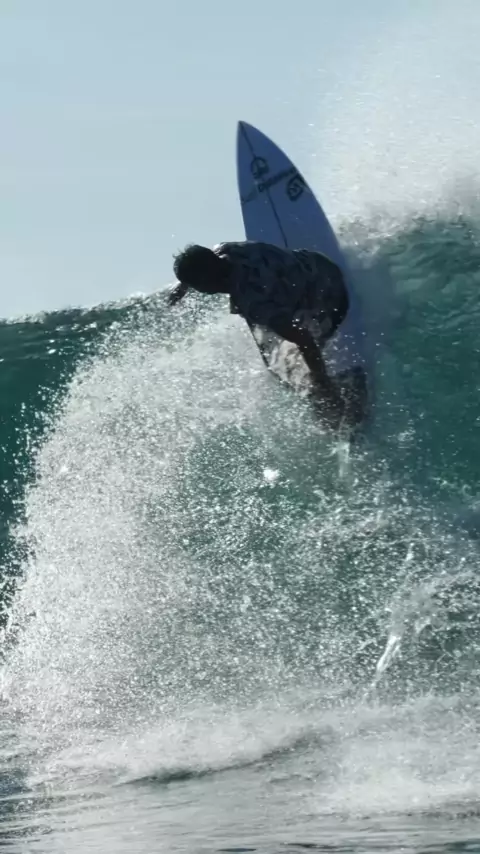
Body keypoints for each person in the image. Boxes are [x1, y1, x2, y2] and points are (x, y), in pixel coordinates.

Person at [168, 240, 366, 428]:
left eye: (197, 286)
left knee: (287, 369)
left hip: (333, 300)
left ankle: (340, 397)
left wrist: (321, 382)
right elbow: (211, 258)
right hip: (320, 265)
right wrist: (184, 284)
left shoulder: (253, 302)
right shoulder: (230, 250)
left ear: (205, 284)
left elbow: (304, 340)